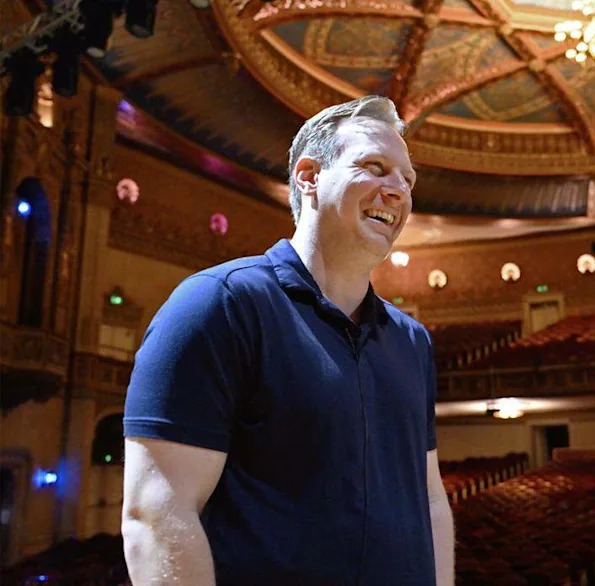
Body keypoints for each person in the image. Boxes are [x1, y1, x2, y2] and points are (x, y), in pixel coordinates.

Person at [121, 96, 454, 585]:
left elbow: (429, 501)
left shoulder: (413, 341)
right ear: (309, 177)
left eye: (407, 181)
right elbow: (158, 514)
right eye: (375, 167)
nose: (398, 191)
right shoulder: (218, 304)